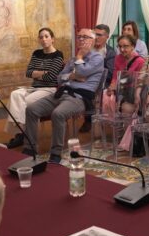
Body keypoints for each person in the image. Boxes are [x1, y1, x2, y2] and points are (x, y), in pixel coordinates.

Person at [24, 29, 104, 164]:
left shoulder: (97, 58)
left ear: (93, 40)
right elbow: (59, 78)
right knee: (31, 109)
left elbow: (83, 71)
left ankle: (56, 153)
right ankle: (30, 148)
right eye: (79, 37)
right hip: (63, 93)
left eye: (85, 37)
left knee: (58, 114)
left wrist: (79, 58)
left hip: (80, 98)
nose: (81, 40)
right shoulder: (73, 59)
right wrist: (72, 76)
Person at [5, 28, 64, 149]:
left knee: (25, 103)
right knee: (14, 94)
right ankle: (21, 132)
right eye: (41, 37)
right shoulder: (36, 53)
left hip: (49, 89)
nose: (44, 39)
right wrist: (43, 72)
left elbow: (51, 77)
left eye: (46, 36)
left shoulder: (58, 55)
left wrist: (37, 73)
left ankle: (22, 135)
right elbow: (28, 72)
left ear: (52, 39)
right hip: (34, 87)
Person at [103, 34, 145, 115]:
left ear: (133, 46)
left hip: (132, 92)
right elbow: (115, 76)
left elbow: (136, 82)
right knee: (105, 96)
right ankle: (111, 124)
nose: (122, 49)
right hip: (119, 90)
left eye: (125, 46)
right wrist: (111, 87)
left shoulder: (140, 61)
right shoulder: (118, 58)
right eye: (120, 46)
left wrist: (117, 87)